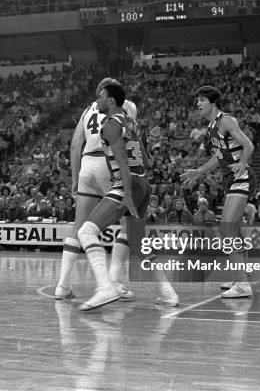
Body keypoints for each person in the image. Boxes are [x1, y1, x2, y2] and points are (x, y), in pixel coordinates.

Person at [77, 83, 177, 310]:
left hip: (127, 183)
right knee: (139, 244)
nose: (97, 101)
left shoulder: (111, 125)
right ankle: (169, 293)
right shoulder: (131, 122)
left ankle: (105, 288)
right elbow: (146, 158)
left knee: (86, 231)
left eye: (100, 96)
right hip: (142, 182)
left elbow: (122, 160)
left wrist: (127, 194)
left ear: (111, 100)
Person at [54, 78, 143, 301]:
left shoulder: (86, 111)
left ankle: (62, 286)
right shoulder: (127, 106)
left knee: (78, 227)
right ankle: (115, 283)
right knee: (127, 223)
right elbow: (129, 139)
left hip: (86, 165)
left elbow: (75, 145)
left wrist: (75, 178)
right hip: (108, 162)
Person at [182, 85, 255, 298]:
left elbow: (248, 145)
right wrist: (199, 171)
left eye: (201, 100)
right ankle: (241, 276)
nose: (198, 104)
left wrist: (242, 163)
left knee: (225, 229)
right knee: (235, 231)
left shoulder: (226, 120)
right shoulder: (213, 126)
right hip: (230, 178)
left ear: (212, 103)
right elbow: (219, 157)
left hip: (240, 177)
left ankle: (243, 285)